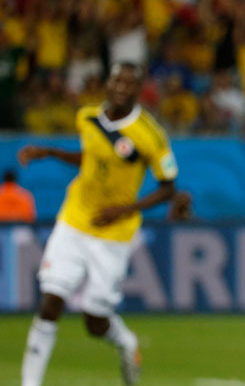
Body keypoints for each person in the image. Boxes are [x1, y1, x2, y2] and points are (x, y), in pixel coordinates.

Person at [17, 62, 178, 386]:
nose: (120, 87)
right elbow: (93, 156)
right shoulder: (87, 116)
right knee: (50, 301)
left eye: (127, 83)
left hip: (113, 232)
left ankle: (125, 342)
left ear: (137, 90)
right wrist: (49, 151)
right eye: (115, 81)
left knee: (95, 321)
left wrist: (125, 209)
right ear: (107, 83)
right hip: (76, 218)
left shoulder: (150, 134)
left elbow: (168, 187)